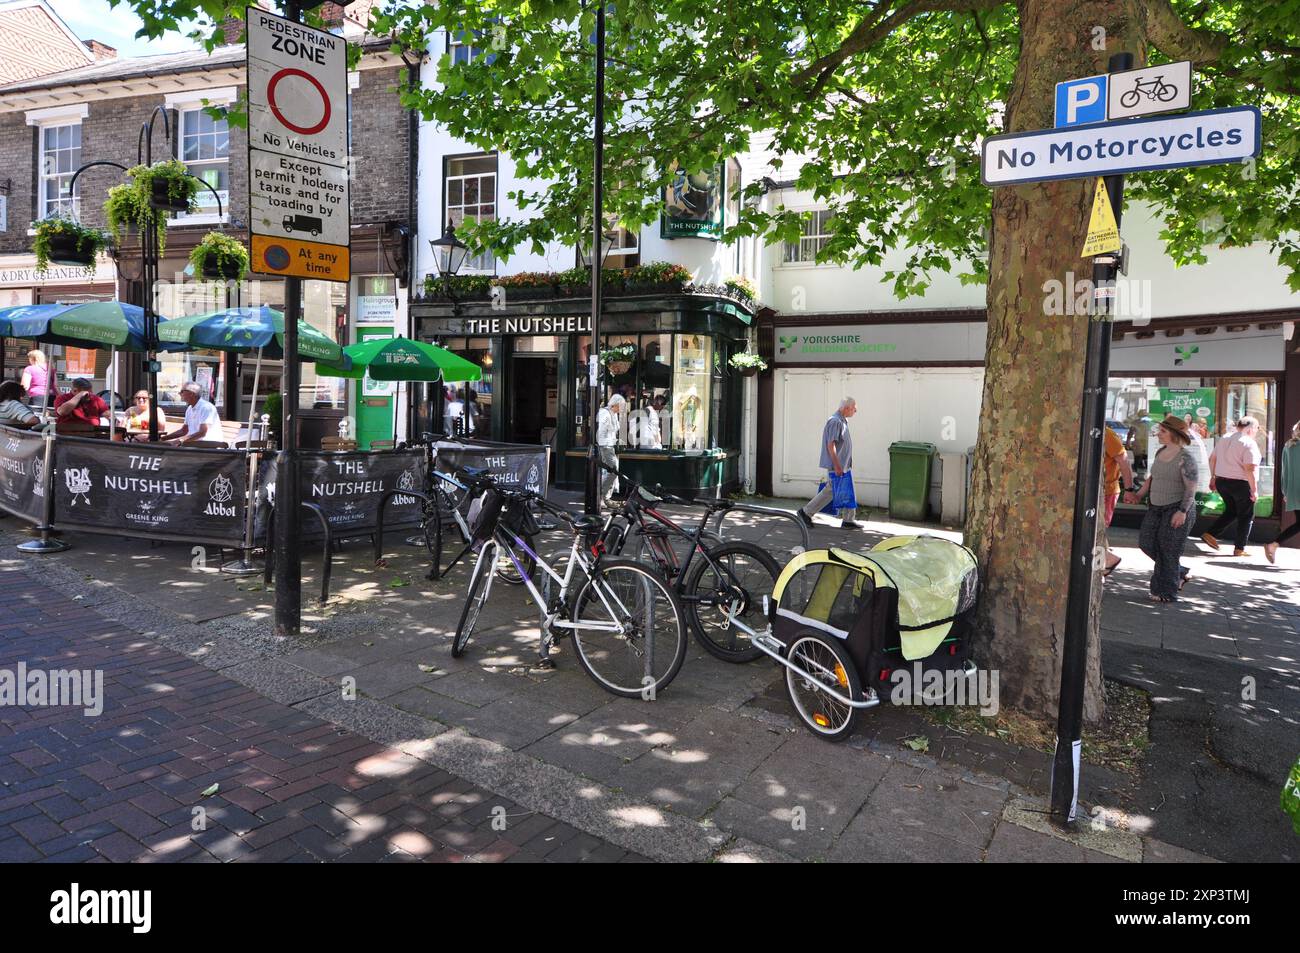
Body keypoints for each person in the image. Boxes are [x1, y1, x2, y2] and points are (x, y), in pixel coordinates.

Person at [1125, 415, 1200, 603]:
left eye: (1163, 431)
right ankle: (1177, 571)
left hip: (1176, 508)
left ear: (1174, 434)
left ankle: (1165, 592)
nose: (1159, 434)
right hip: (1156, 507)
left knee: (1168, 550)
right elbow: (1152, 478)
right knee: (1147, 542)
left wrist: (1182, 512)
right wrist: (1138, 495)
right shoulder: (1160, 452)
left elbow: (1191, 488)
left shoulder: (1185, 458)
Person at [797, 397, 861, 530]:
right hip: (837, 465)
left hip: (844, 465)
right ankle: (805, 512)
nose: (856, 410)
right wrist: (837, 465)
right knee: (831, 490)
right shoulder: (835, 421)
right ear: (846, 408)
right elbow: (830, 445)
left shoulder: (842, 421)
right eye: (854, 407)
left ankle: (848, 520)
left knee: (848, 490)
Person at [1202, 416, 1262, 557]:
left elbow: (1212, 459)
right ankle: (1239, 548)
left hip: (1222, 482)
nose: (1257, 431)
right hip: (1240, 483)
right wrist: (1254, 490)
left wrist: (1213, 477)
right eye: (1257, 428)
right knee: (1246, 515)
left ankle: (1210, 533)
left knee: (1232, 510)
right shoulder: (1248, 443)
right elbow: (1250, 469)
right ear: (1250, 428)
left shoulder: (1225, 438)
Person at [1264, 422, 1300, 564]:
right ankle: (1274, 544)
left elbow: (1283, 471)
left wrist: (1285, 491)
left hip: (1293, 490)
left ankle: (1274, 545)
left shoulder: (1289, 446)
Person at [1101, 424, 1135, 576]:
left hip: (1106, 491)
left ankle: (1107, 559)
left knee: (1097, 529)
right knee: (1095, 529)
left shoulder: (1107, 434)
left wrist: (1129, 489)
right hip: (1096, 490)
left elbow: (1124, 462)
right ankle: (1103, 564)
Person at [163, 381, 225, 445]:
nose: (179, 393)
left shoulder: (206, 407)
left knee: (168, 452)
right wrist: (163, 438)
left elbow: (202, 432)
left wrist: (180, 440)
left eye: (182, 391)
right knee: (164, 448)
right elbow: (183, 431)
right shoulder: (189, 409)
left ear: (191, 393)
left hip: (209, 446)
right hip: (195, 444)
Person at [596, 393, 625, 505]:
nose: (621, 409)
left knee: (611, 471)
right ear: (615, 404)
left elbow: (611, 432)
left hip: (610, 446)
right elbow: (602, 432)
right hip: (605, 447)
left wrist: (616, 441)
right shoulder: (605, 413)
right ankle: (602, 496)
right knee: (613, 470)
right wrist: (604, 447)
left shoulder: (613, 414)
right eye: (620, 406)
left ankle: (605, 497)